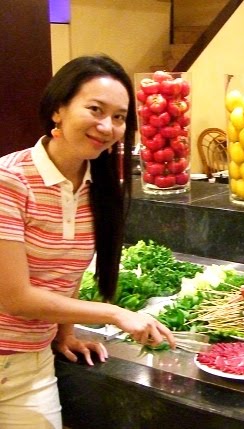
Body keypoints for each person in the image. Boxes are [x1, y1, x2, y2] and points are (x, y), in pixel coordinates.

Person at [0, 54, 175, 429]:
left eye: (119, 117)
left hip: (30, 365)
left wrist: (65, 332)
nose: (107, 126)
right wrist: (115, 314)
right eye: (95, 109)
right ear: (58, 110)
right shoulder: (9, 180)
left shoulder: (98, 186)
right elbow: (15, 297)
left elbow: (68, 267)